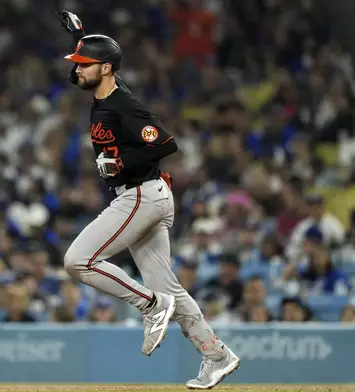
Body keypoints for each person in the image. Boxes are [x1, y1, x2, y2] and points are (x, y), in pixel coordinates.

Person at [55, 10, 240, 389]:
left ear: (105, 69)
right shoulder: (105, 91)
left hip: (141, 195)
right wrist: (79, 40)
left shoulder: (124, 104)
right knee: (170, 289)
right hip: (144, 195)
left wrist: (122, 160)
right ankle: (217, 354)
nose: (77, 71)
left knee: (78, 260)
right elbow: (83, 74)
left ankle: (149, 304)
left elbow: (166, 143)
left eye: (84, 65)